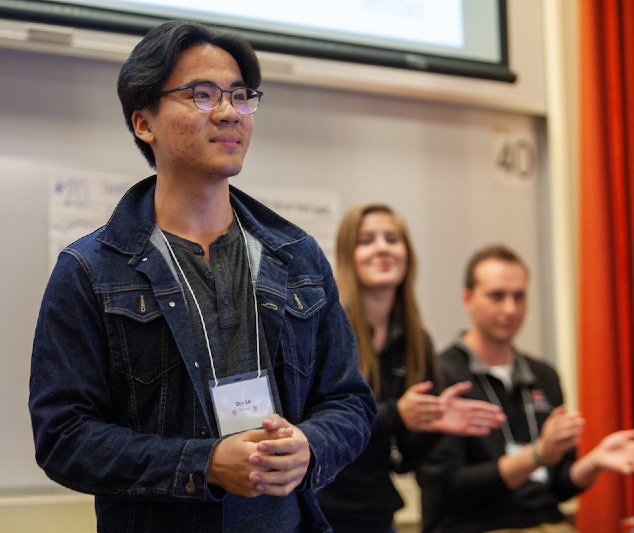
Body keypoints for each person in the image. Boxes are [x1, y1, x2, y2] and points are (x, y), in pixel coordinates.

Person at [28, 20, 376, 533]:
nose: (229, 111)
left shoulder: (297, 257)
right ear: (144, 123)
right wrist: (204, 464)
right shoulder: (89, 270)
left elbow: (349, 402)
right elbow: (63, 436)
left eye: (239, 95)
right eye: (203, 94)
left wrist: (310, 446)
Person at [416, 244, 634, 533]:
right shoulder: (440, 375)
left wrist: (594, 462)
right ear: (468, 299)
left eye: (519, 297)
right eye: (497, 296)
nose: (510, 309)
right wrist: (536, 455)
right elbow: (449, 487)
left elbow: (558, 484)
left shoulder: (543, 376)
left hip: (545, 523)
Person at [318, 203, 505, 533]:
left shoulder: (415, 340)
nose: (382, 248)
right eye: (367, 240)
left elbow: (404, 459)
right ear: (349, 255)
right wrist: (396, 414)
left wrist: (434, 425)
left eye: (392, 238)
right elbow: (320, 428)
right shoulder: (324, 326)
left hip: (377, 516)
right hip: (319, 515)